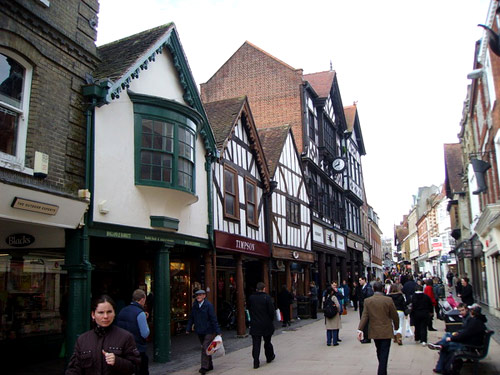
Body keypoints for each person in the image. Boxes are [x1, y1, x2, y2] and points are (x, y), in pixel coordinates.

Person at [66, 295, 140, 375]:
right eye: (101, 312)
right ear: (93, 315)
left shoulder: (126, 337)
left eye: (109, 312)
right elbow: (73, 369)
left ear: (114, 313)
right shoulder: (82, 340)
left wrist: (118, 361)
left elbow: (136, 367)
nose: (105, 316)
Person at [429, 304, 487, 374]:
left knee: (447, 347)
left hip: (469, 345)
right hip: (471, 343)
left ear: (472, 312)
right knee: (447, 344)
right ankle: (441, 366)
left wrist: (452, 339)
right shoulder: (476, 321)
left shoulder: (474, 322)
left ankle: (442, 366)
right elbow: (466, 333)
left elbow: (465, 334)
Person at [357, 281, 399, 375]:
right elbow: (394, 315)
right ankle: (382, 371)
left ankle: (382, 368)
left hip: (374, 331)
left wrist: (360, 329)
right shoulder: (388, 300)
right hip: (386, 330)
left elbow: (365, 316)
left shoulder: (368, 301)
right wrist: (397, 327)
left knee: (379, 350)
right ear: (383, 289)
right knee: (384, 352)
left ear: (373, 289)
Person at [186, 289, 221, 374]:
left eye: (200, 295)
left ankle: (204, 367)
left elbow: (213, 318)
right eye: (197, 295)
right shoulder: (195, 306)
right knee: (207, 347)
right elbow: (191, 318)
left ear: (204, 296)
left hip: (209, 330)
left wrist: (217, 331)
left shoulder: (208, 305)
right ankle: (210, 364)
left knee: (205, 347)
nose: (198, 296)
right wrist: (188, 328)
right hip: (200, 330)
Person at [116, 289, 150, 375]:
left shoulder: (122, 310)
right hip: (138, 348)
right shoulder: (140, 313)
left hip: (124, 347)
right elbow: (145, 333)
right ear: (142, 299)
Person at [248, 282, 276, 369]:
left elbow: (249, 308)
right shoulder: (267, 297)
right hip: (266, 323)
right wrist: (271, 320)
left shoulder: (251, 298)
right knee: (267, 342)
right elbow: (272, 311)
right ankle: (269, 357)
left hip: (255, 324)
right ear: (264, 289)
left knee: (256, 344)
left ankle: (256, 361)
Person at [358, 276, 374, 343]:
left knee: (366, 323)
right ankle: (366, 337)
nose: (359, 282)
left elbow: (368, 298)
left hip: (365, 308)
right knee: (364, 323)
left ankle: (367, 338)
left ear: (364, 280)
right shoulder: (363, 287)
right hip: (363, 307)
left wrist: (363, 304)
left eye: (360, 280)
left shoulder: (368, 288)